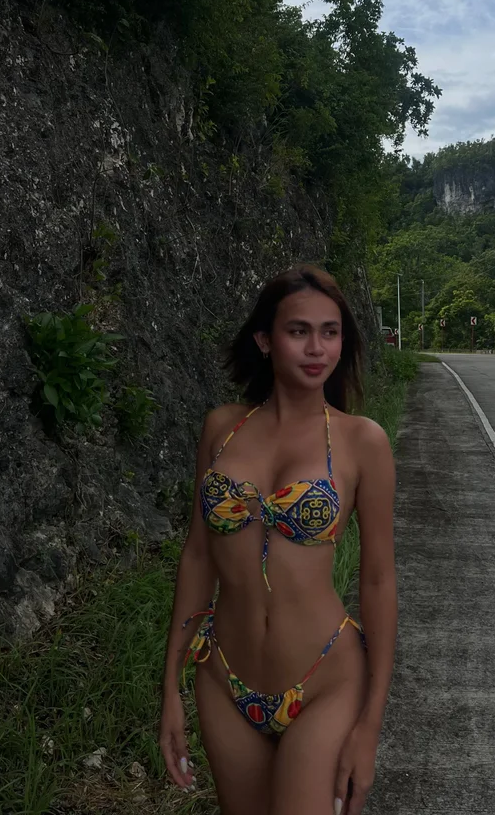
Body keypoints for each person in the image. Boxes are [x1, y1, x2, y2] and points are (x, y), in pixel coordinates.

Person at [160, 264, 397, 815]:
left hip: (326, 681)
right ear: (265, 340)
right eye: (298, 331)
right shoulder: (222, 429)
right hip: (224, 678)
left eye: (330, 332)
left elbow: (378, 580)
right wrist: (170, 685)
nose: (317, 348)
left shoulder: (362, 442)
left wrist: (370, 724)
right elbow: (198, 556)